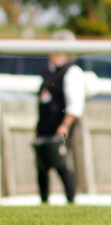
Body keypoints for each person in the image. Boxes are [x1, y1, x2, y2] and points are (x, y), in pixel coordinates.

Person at [34, 29, 85, 204]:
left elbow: (75, 105)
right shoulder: (48, 71)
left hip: (61, 126)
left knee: (60, 162)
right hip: (44, 124)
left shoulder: (72, 72)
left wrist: (65, 126)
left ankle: (71, 201)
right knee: (41, 165)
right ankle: (44, 201)